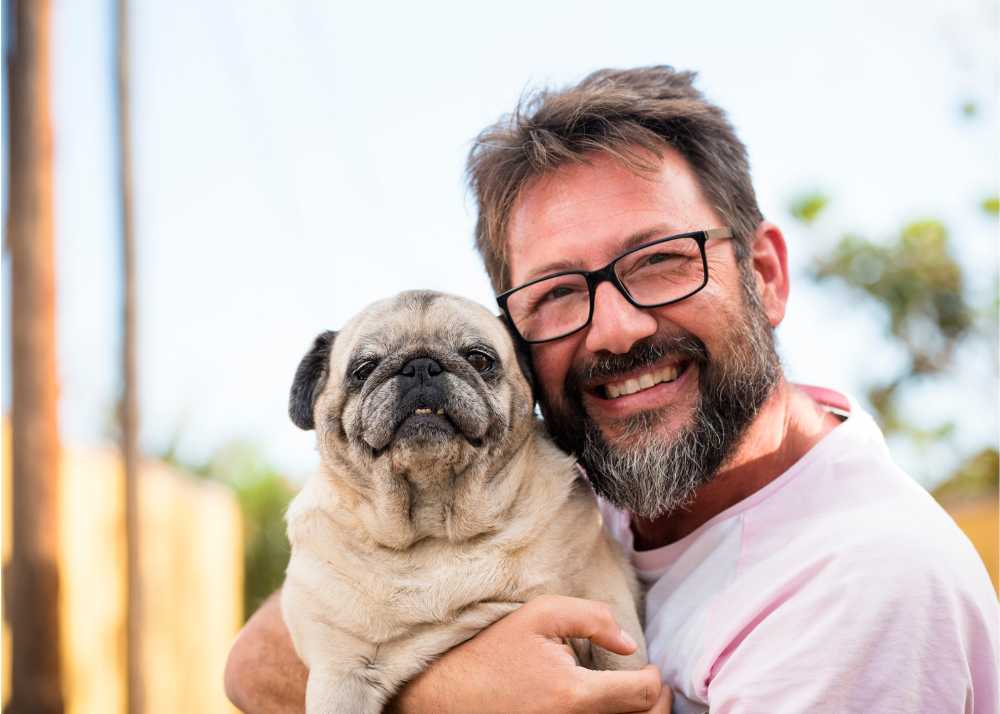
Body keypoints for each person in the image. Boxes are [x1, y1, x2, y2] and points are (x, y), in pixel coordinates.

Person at [225, 67, 998, 713]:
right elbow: (251, 667)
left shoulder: (858, 589)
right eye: (560, 292)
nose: (617, 329)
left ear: (763, 276)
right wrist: (453, 690)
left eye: (661, 259)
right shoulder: (590, 477)